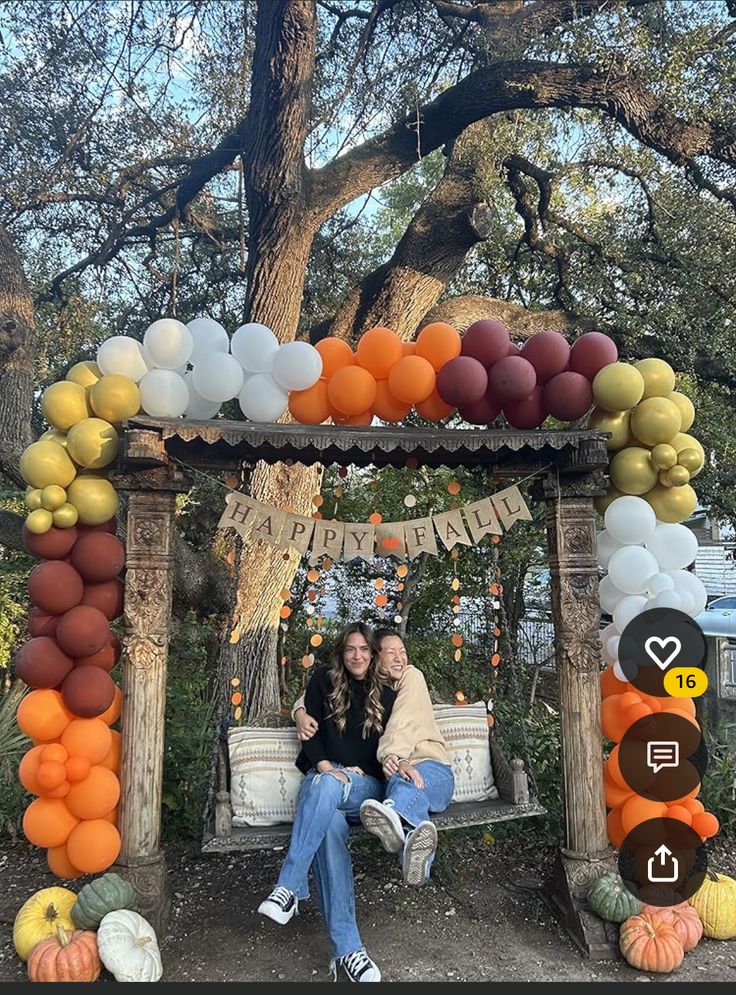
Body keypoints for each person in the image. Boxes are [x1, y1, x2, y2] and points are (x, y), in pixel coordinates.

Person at [258, 622, 395, 983]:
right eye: (351, 649)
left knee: (325, 786)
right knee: (328, 822)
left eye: (365, 649)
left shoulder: (389, 694)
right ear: (341, 652)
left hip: (365, 789)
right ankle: (349, 952)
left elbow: (388, 750)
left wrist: (350, 772)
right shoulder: (324, 680)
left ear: (373, 653)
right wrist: (323, 765)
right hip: (325, 786)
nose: (357, 656)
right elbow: (309, 729)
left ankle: (290, 885)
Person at [294, 628, 455, 888]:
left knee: (406, 785)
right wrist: (299, 712)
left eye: (402, 651)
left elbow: (400, 726)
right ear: (374, 658)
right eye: (390, 652)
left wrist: (394, 756)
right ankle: (412, 854)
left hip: (431, 769)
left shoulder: (411, 677)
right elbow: (322, 692)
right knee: (400, 788)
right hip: (394, 781)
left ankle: (393, 816)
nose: (399, 658)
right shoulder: (372, 690)